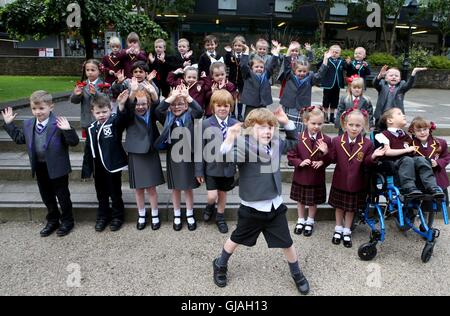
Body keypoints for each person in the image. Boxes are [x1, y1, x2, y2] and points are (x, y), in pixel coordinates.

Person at [212, 107, 311, 295]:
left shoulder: (274, 143)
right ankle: (220, 263)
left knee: (287, 243)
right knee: (236, 238)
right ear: (250, 129)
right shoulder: (243, 145)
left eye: (270, 127)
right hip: (252, 207)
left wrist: (285, 122)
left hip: (275, 205)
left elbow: (293, 141)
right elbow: (223, 157)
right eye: (262, 127)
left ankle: (297, 273)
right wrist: (230, 137)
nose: (268, 131)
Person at [2, 91, 79, 237]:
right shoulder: (28, 123)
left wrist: (68, 130)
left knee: (62, 196)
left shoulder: (59, 123)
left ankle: (67, 221)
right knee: (47, 196)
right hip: (40, 166)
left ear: (51, 107)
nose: (38, 112)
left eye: (41, 108)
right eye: (34, 109)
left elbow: (73, 142)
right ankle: (53, 220)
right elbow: (19, 139)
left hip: (58, 167)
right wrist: (9, 124)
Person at [329, 109, 387, 248]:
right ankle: (338, 228)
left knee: (350, 209)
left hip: (356, 181)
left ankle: (347, 230)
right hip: (340, 180)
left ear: (363, 126)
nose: (354, 128)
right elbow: (332, 158)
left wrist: (373, 157)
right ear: (345, 124)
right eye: (351, 125)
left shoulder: (367, 144)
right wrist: (325, 152)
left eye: (358, 126)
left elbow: (366, 162)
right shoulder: (336, 141)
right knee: (339, 207)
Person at [154, 85, 203, 231]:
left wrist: (188, 97)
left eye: (180, 104)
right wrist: (170, 98)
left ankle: (189, 214)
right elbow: (157, 110)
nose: (176, 107)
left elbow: (199, 111)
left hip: (188, 156)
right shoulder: (167, 117)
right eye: (173, 105)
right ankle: (176, 214)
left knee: (188, 188)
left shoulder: (190, 116)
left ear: (187, 105)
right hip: (173, 157)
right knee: (175, 188)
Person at [117, 85, 165, 231]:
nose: (140, 106)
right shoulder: (129, 113)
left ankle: (155, 214)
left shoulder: (153, 112)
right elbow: (120, 121)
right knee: (138, 188)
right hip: (135, 153)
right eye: (137, 103)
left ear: (148, 103)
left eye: (144, 103)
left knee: (152, 188)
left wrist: (155, 96)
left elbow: (161, 113)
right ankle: (142, 214)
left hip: (150, 151)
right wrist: (121, 104)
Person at [81, 94, 128, 232]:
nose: (101, 115)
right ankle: (103, 216)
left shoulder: (114, 122)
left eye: (104, 112)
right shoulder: (91, 128)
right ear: (93, 112)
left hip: (112, 165)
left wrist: (120, 106)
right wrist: (86, 170)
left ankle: (117, 216)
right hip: (98, 167)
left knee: (115, 193)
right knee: (101, 193)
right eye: (98, 112)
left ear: (110, 109)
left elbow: (122, 121)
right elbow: (88, 151)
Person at [375, 108, 445, 199]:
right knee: (407, 160)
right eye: (399, 114)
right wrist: (406, 150)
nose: (403, 115)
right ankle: (409, 187)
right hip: (393, 163)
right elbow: (387, 151)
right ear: (390, 120)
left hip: (408, 162)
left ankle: (431, 186)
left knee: (421, 159)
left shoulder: (405, 135)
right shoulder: (382, 135)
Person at [195, 90, 239, 233]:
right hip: (211, 168)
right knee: (212, 196)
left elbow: (241, 147)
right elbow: (199, 149)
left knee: (223, 194)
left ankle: (220, 217)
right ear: (212, 107)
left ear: (230, 107)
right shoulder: (206, 124)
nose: (222, 108)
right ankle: (209, 206)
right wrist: (199, 170)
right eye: (218, 105)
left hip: (228, 168)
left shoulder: (236, 124)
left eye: (226, 106)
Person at [287, 106, 331, 237]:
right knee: (300, 200)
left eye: (320, 124)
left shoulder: (327, 140)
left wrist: (324, 157)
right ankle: (301, 220)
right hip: (301, 175)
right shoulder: (298, 137)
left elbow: (332, 158)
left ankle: (310, 220)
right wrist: (299, 162)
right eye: (313, 123)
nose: (316, 126)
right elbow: (291, 156)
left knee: (313, 201)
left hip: (316, 177)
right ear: (305, 121)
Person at [280, 50, 331, 133]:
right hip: (289, 105)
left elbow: (320, 75)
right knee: (288, 129)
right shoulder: (290, 76)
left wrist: (325, 59)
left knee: (299, 130)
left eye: (304, 71)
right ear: (294, 70)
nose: (302, 73)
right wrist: (289, 51)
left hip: (302, 106)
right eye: (299, 71)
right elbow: (286, 66)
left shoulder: (310, 78)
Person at [409, 117, 450, 205]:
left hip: (438, 178)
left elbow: (446, 157)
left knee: (437, 205)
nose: (422, 132)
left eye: (425, 129)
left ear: (429, 129)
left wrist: (438, 162)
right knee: (423, 205)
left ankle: (431, 219)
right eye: (419, 130)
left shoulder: (440, 143)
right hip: (420, 180)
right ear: (413, 131)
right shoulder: (410, 145)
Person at [239, 43, 280, 118]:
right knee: (249, 121)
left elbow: (271, 65)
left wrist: (276, 53)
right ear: (251, 68)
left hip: (262, 103)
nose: (259, 69)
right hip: (251, 103)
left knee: (262, 120)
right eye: (256, 67)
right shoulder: (248, 75)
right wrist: (246, 52)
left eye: (261, 67)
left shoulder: (266, 74)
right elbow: (244, 65)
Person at [70, 59, 104, 139]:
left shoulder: (104, 85)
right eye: (87, 70)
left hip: (100, 120)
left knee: (100, 144)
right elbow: (74, 101)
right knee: (88, 145)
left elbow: (106, 101)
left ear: (99, 71)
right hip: (86, 121)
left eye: (93, 70)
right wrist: (76, 95)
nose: (90, 72)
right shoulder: (82, 85)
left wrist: (96, 94)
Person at [320, 45, 347, 124]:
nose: (335, 54)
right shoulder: (326, 60)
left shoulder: (341, 61)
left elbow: (347, 68)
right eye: (333, 52)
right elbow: (319, 66)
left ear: (340, 54)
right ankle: (325, 115)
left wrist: (348, 63)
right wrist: (325, 57)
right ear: (329, 52)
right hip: (328, 84)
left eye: (337, 52)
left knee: (335, 100)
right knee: (326, 100)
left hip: (337, 84)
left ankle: (332, 116)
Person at [224, 35, 246, 121]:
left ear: (243, 46)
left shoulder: (245, 55)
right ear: (233, 46)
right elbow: (227, 63)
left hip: (242, 81)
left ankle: (240, 114)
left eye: (240, 46)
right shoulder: (230, 55)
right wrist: (228, 53)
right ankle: (232, 114)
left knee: (240, 98)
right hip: (232, 80)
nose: (237, 47)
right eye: (236, 45)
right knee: (232, 98)